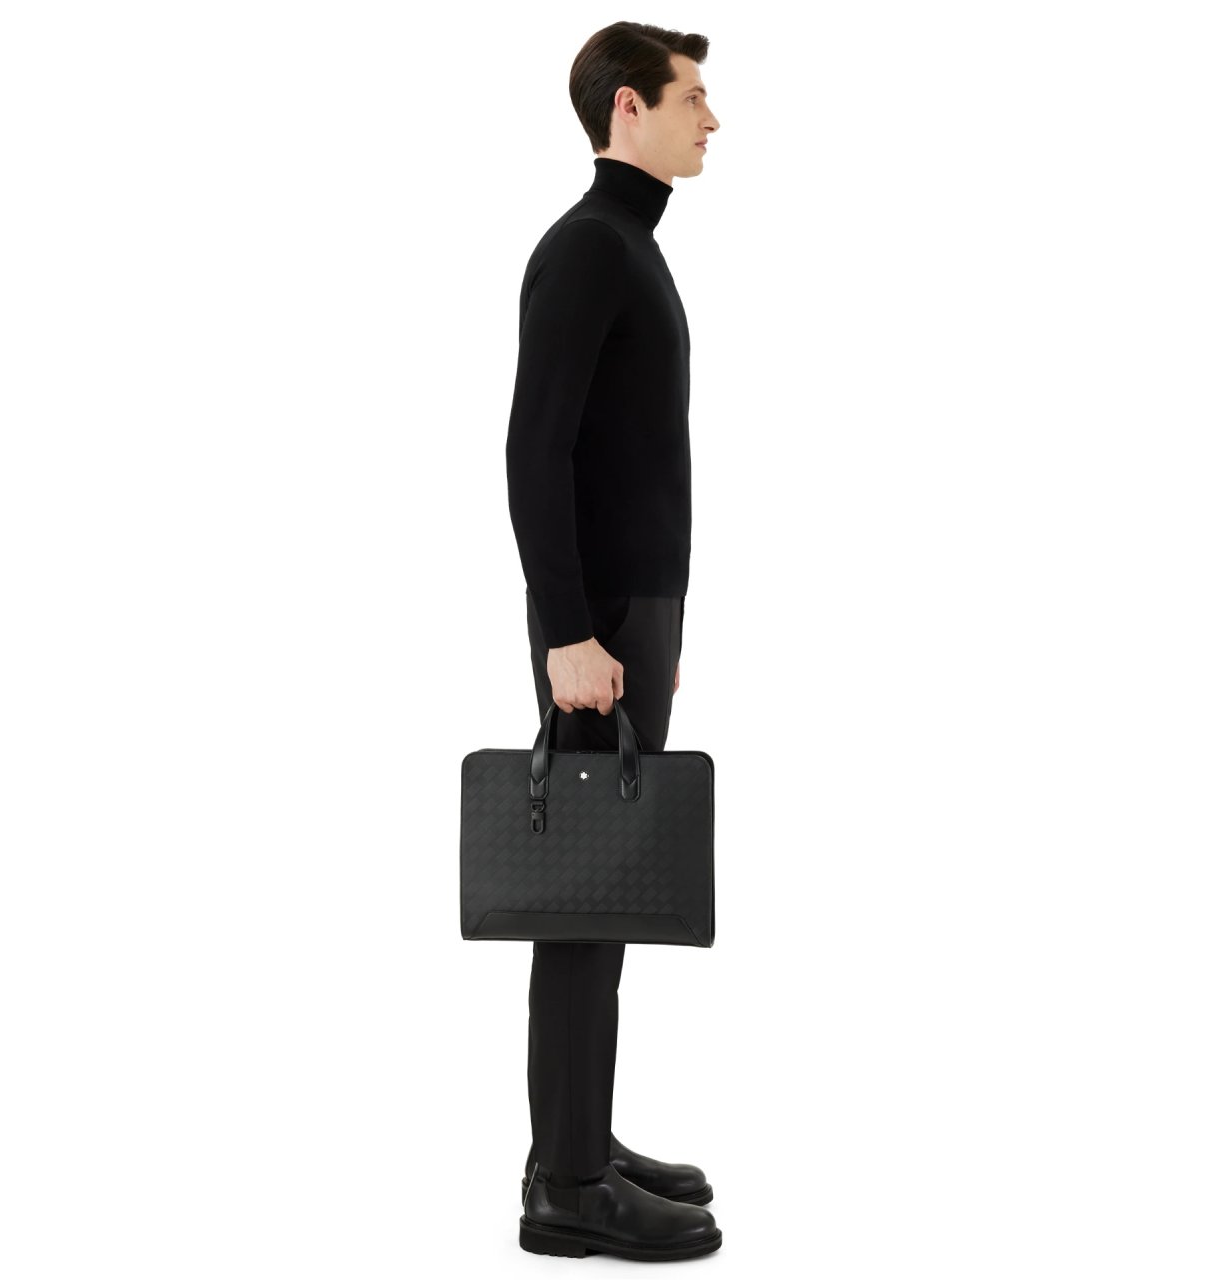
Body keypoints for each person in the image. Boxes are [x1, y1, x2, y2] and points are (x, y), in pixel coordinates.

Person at [503, 21, 723, 1262]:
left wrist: (656, 619)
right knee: (583, 897)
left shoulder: (629, 244)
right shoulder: (588, 246)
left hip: (633, 618)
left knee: (608, 886)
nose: (711, 118)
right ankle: (568, 1186)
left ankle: (577, 1138)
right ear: (626, 108)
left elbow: (630, 457)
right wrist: (568, 632)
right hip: (594, 628)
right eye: (692, 97)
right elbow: (532, 450)